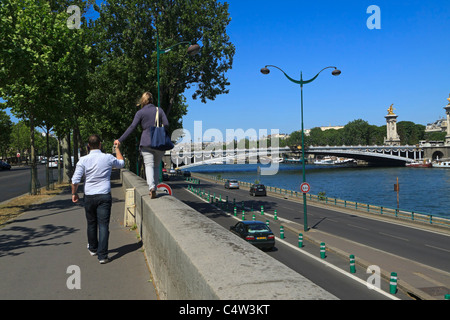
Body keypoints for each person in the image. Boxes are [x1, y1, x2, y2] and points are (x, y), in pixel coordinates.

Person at [71, 134, 125, 264]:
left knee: (91, 223)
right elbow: (121, 164)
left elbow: (75, 180)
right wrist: (117, 148)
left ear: (88, 146)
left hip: (89, 195)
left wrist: (74, 193)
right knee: (103, 225)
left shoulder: (83, 160)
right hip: (104, 194)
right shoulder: (107, 157)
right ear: (100, 144)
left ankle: (93, 248)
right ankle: (103, 256)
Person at [115, 92, 169, 199]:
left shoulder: (140, 113)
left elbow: (132, 127)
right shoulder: (159, 110)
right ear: (152, 100)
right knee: (156, 166)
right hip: (158, 142)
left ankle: (151, 188)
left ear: (142, 101)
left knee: (148, 165)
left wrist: (120, 140)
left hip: (146, 142)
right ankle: (155, 187)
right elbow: (166, 124)